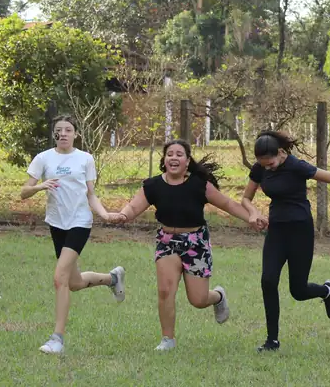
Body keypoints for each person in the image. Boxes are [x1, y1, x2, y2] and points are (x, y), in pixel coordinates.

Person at [109, 139, 255, 351]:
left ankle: (218, 296)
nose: (174, 158)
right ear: (164, 160)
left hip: (196, 242)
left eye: (179, 154)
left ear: (187, 161)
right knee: (165, 290)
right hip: (167, 242)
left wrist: (251, 218)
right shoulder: (153, 185)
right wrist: (123, 215)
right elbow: (132, 207)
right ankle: (168, 339)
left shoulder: (199, 185)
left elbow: (229, 204)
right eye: (170, 154)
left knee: (198, 299)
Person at [241, 130, 330, 352]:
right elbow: (245, 198)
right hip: (277, 231)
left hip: (300, 231)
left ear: (280, 153)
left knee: (298, 291)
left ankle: (327, 291)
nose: (267, 168)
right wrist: (253, 212)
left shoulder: (297, 166)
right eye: (263, 164)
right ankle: (272, 340)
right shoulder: (259, 168)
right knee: (268, 281)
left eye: (270, 163)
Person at [21, 115, 125, 356]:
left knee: (60, 278)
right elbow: (24, 192)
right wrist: (40, 186)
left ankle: (57, 338)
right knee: (74, 282)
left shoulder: (85, 159)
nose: (64, 133)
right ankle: (112, 279)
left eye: (69, 129)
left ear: (76, 134)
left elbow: (91, 194)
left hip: (80, 222)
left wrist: (104, 214)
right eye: (59, 130)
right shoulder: (43, 158)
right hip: (57, 224)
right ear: (54, 135)